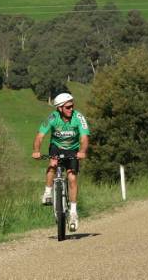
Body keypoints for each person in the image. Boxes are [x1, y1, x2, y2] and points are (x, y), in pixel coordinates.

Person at [32, 92, 89, 232]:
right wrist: (36, 150)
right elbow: (40, 136)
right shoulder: (52, 117)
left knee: (72, 177)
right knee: (52, 165)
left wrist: (82, 151)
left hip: (73, 149)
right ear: (59, 108)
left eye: (72, 106)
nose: (71, 109)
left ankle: (73, 213)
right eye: (68, 107)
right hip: (56, 147)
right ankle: (48, 192)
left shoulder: (78, 117)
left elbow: (84, 138)